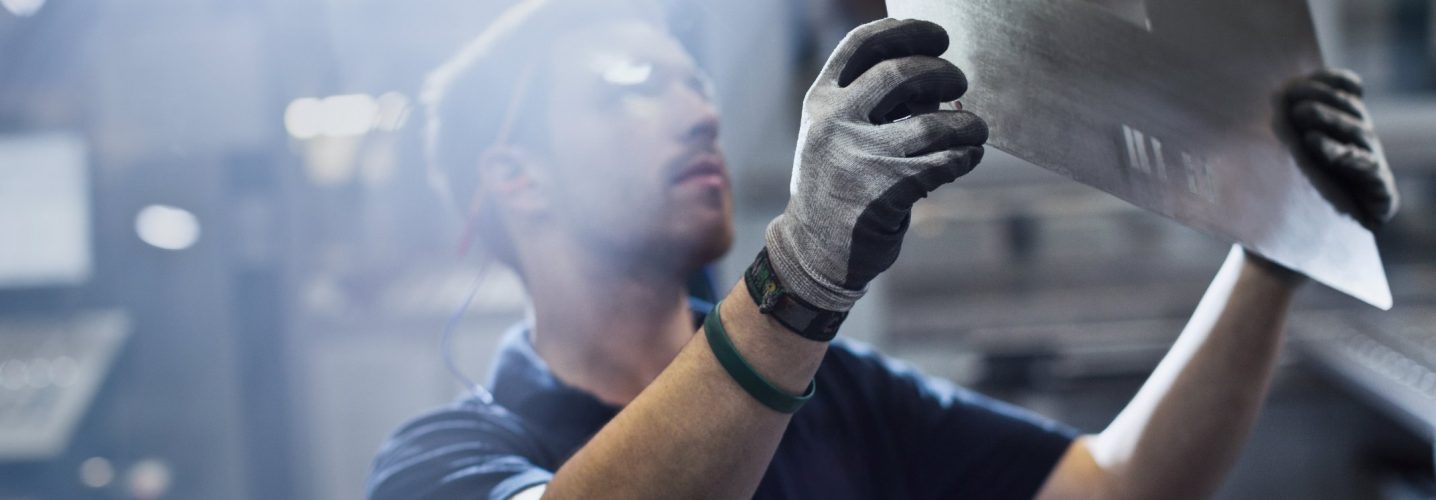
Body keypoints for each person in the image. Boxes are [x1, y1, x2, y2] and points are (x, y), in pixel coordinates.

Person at [367, 1, 1401, 498]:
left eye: (692, 79)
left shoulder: (845, 397)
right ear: (517, 179)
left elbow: (1114, 489)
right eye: (634, 91)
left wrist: (1274, 248)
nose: (696, 113)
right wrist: (802, 274)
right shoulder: (440, 460)